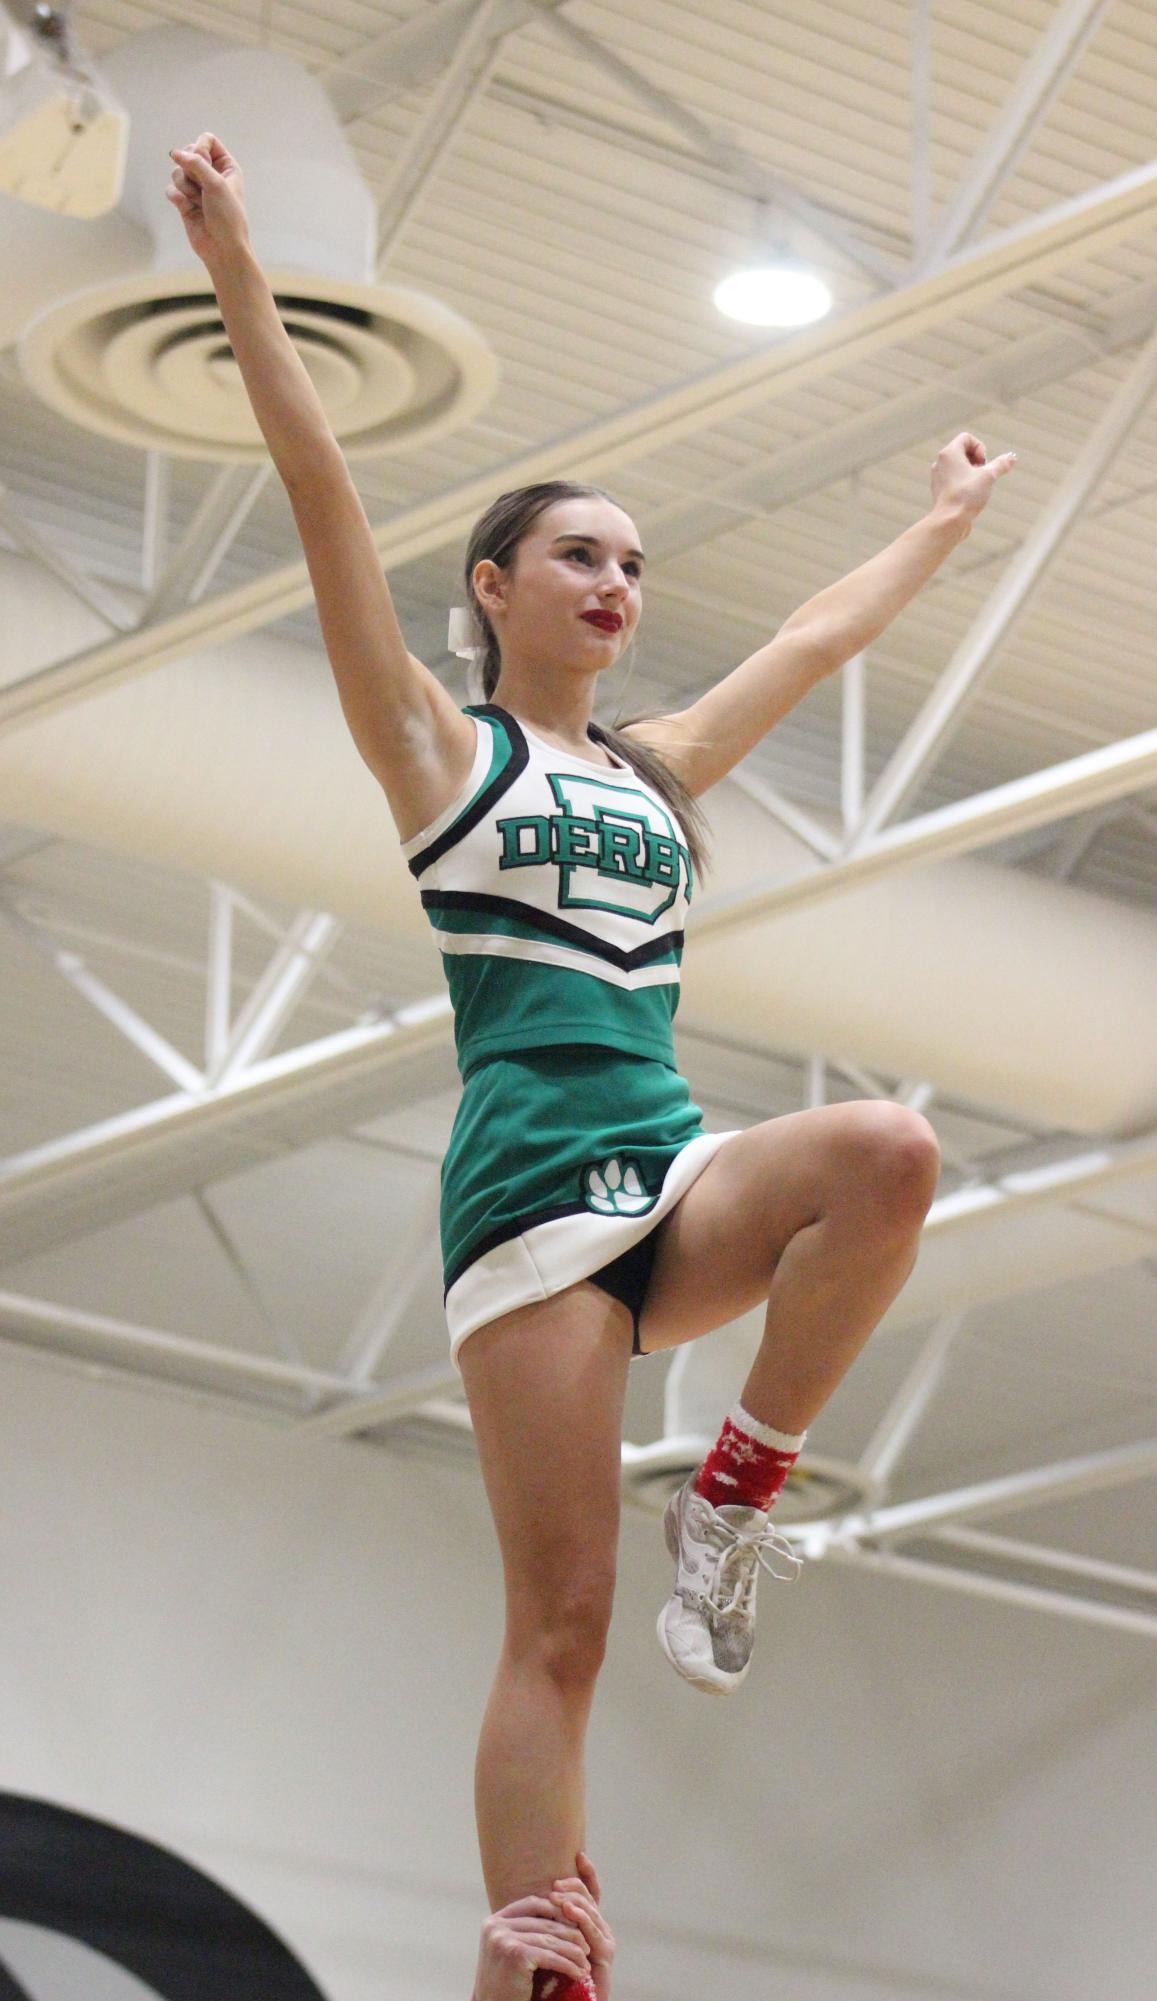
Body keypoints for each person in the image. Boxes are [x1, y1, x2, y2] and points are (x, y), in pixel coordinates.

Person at [166, 133, 1017, 2001]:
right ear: (493, 584)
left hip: (667, 1147)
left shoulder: (653, 766)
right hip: (528, 1188)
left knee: (884, 1147)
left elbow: (809, 637)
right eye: (581, 554)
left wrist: (941, 521)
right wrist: (239, 273)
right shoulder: (434, 746)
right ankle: (537, 1942)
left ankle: (740, 1478)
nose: (620, 582)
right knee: (559, 1617)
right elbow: (319, 484)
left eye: (636, 561)